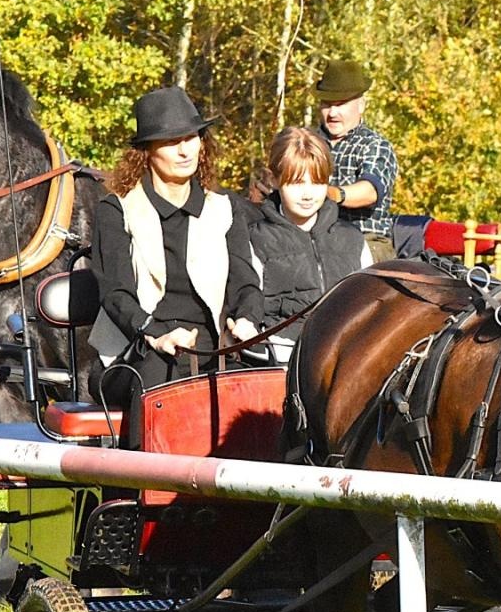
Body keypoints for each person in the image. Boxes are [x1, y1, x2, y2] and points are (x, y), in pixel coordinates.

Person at [91, 86, 263, 404]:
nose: (185, 151)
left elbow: (246, 282)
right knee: (159, 376)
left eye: (191, 138)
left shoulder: (224, 207)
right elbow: (116, 295)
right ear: (147, 152)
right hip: (137, 349)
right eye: (171, 142)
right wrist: (155, 334)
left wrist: (246, 319)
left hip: (214, 345)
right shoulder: (116, 209)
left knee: (261, 387)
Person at [246, 127, 372, 362]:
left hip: (347, 361)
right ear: (275, 179)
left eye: (316, 182)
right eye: (296, 183)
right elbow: (246, 319)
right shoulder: (255, 240)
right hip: (282, 361)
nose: (307, 194)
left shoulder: (352, 239)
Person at [315, 60, 400, 262]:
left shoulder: (376, 146)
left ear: (361, 105)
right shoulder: (308, 143)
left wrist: (332, 193)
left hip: (366, 240)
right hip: (314, 238)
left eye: (341, 104)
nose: (332, 113)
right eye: (326, 104)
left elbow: (370, 191)